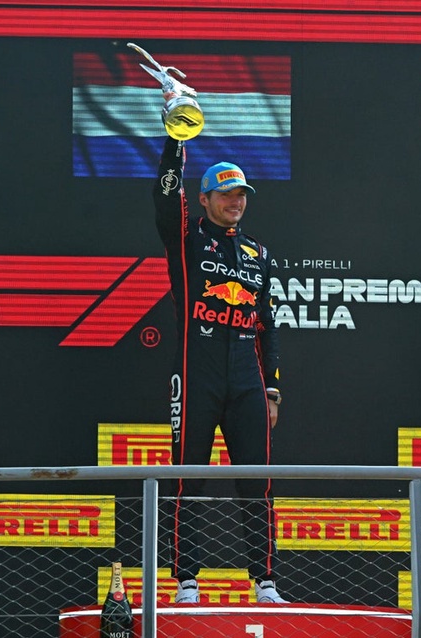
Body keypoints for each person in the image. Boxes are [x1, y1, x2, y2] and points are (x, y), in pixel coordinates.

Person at [153, 129, 285, 604]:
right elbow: (165, 199)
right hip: (196, 373)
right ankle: (186, 581)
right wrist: (175, 143)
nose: (236, 202)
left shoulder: (258, 253)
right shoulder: (187, 239)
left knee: (258, 482)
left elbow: (267, 326)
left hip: (247, 378)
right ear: (205, 199)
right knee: (188, 479)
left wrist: (271, 389)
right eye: (226, 194)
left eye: (241, 194)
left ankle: (265, 582)